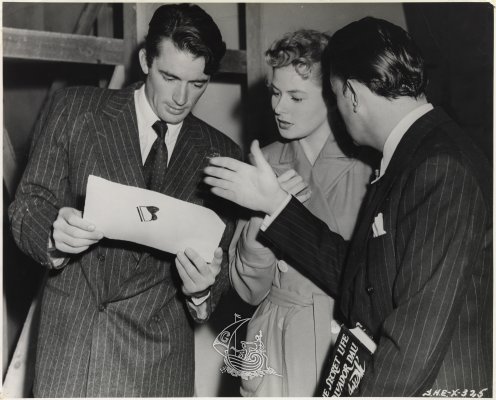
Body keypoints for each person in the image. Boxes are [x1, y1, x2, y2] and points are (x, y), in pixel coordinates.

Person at [205, 17, 492, 397]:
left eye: (333, 96)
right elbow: (359, 274)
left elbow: (414, 337)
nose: (279, 107)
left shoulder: (433, 166)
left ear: (350, 95)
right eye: (276, 93)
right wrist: (273, 206)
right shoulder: (415, 154)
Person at [8, 4, 241, 397]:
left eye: (198, 83)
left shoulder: (222, 156)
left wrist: (203, 288)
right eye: (169, 77)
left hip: (158, 367)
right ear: (145, 60)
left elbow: (217, 269)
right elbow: (28, 202)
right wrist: (53, 233)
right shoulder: (75, 110)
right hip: (73, 353)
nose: (182, 97)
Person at [228, 30, 371, 396]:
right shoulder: (267, 161)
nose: (278, 108)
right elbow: (249, 289)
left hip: (337, 342)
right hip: (273, 339)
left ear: (331, 97)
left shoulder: (367, 165)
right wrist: (264, 214)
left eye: (295, 96)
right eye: (275, 93)